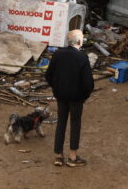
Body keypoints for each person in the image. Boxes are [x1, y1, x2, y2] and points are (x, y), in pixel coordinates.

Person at [45, 29, 94, 167]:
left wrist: (57, 88)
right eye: (82, 37)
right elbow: (88, 83)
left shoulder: (58, 54)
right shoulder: (82, 58)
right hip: (76, 98)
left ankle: (58, 156)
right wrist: (85, 96)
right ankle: (73, 157)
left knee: (61, 122)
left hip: (61, 96)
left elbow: (49, 75)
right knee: (75, 123)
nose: (83, 39)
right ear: (78, 41)